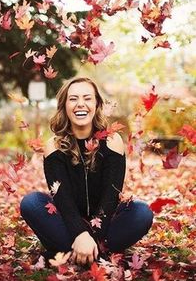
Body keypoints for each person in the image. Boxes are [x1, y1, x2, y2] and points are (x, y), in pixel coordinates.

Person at [20, 77, 153, 265]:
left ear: (97, 104)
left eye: (87, 98)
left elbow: (110, 198)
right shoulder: (54, 146)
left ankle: (77, 252)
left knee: (142, 212)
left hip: (106, 224)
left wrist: (91, 236)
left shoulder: (112, 141)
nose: (80, 104)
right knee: (31, 203)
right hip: (68, 222)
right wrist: (80, 234)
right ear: (64, 105)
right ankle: (96, 254)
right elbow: (62, 200)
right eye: (73, 98)